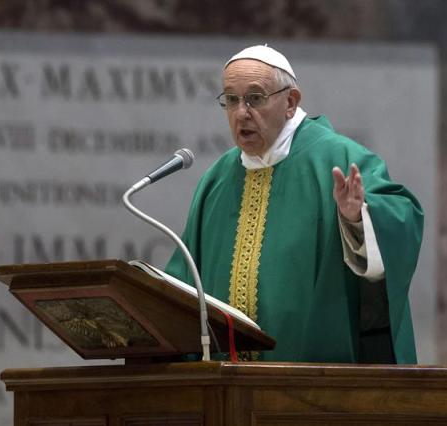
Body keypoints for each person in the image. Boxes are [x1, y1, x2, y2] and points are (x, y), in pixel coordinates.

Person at [165, 45, 423, 363]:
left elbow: (403, 220)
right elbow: (182, 284)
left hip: (310, 383)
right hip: (226, 388)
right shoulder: (216, 180)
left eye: (255, 98)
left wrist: (357, 220)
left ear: (290, 102)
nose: (241, 112)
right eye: (231, 100)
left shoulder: (339, 159)